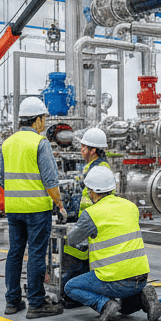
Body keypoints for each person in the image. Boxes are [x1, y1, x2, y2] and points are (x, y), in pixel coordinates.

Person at [0, 97, 65, 319]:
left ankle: (12, 301)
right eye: (44, 119)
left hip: (13, 208)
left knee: (15, 253)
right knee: (35, 254)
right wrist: (59, 205)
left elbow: (3, 177)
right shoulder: (39, 143)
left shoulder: (7, 143)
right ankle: (35, 302)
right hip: (36, 209)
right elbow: (51, 180)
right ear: (39, 120)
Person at [64, 164, 161, 321]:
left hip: (115, 281)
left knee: (70, 287)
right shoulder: (130, 206)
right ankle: (142, 297)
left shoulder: (92, 214)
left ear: (93, 191)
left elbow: (73, 240)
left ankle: (104, 305)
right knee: (124, 310)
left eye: (89, 190)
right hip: (141, 277)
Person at [59, 127, 110, 307]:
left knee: (73, 252)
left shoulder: (100, 168)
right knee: (79, 258)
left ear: (93, 150)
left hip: (92, 221)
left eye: (83, 147)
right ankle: (77, 294)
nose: (80, 150)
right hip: (87, 219)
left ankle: (72, 296)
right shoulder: (92, 166)